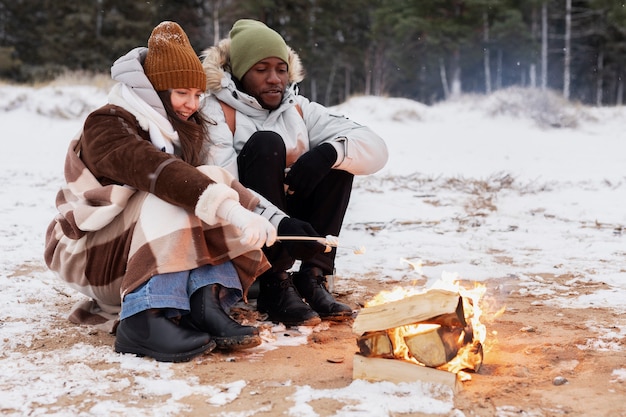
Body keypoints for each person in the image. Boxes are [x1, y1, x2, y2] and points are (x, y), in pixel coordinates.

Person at [44, 21, 308, 362]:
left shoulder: (180, 128)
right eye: (182, 93)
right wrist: (230, 210)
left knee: (207, 177)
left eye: (198, 94)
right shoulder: (107, 123)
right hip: (86, 250)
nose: (192, 104)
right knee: (172, 190)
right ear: (156, 90)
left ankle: (205, 300)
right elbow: (155, 171)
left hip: (131, 250)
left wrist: (273, 220)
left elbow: (209, 180)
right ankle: (145, 318)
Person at [201, 19, 389, 327]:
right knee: (266, 144)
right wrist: (281, 221)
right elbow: (225, 188)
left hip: (290, 222)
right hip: (242, 227)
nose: (275, 79)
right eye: (261, 70)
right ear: (239, 72)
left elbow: (375, 148)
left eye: (281, 69)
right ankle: (274, 281)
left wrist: (329, 154)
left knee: (338, 157)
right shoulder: (215, 111)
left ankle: (313, 275)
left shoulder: (298, 108)